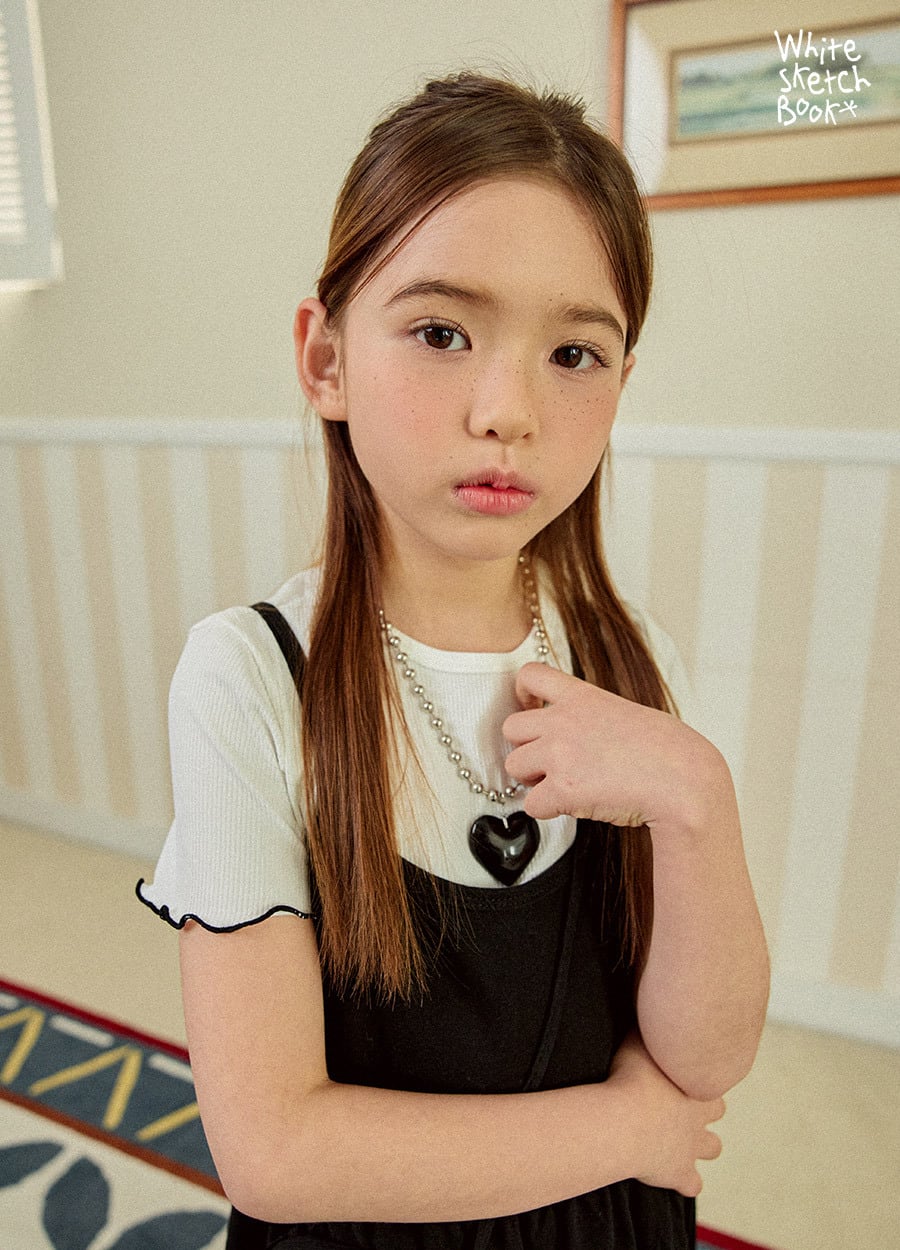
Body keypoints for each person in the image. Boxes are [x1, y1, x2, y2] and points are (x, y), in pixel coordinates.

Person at [137, 71, 769, 1249]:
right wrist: (629, 1126)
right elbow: (275, 1150)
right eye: (441, 333)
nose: (507, 410)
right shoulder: (249, 676)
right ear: (325, 358)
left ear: (621, 385)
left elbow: (706, 1055)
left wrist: (698, 797)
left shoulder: (632, 655)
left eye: (573, 353)